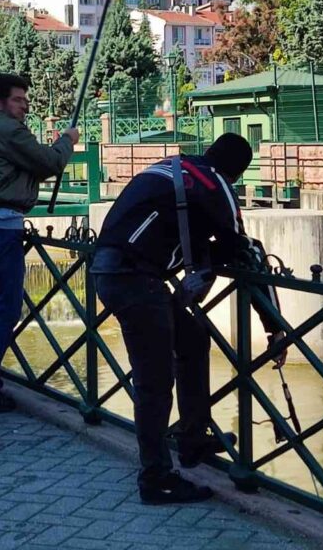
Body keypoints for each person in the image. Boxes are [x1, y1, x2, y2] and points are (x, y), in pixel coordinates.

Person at [91, 133, 287, 505]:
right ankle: (156, 478)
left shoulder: (177, 168)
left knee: (193, 339)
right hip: (135, 280)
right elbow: (243, 252)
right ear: (238, 172)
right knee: (154, 381)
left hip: (114, 270)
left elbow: (180, 229)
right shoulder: (217, 185)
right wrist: (274, 328)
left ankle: (192, 437)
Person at [0, 73, 79, 413]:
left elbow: (28, 167)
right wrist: (67, 140)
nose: (25, 106)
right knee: (5, 310)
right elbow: (50, 163)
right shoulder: (6, 128)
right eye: (18, 100)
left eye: (25, 100)